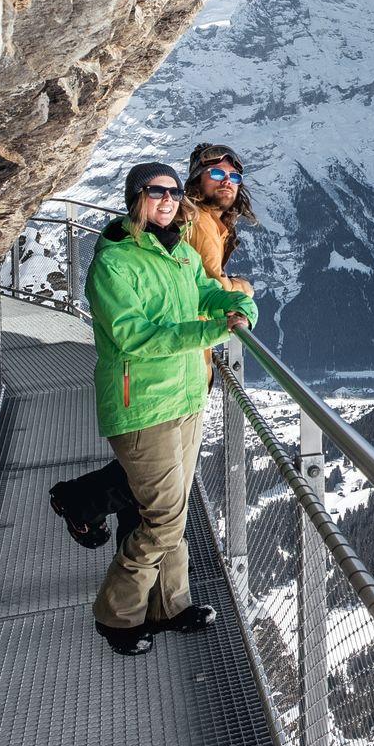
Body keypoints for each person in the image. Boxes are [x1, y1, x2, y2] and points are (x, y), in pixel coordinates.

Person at [82, 160, 258, 656]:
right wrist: (213, 330)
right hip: (142, 405)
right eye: (155, 192)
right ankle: (116, 615)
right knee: (163, 520)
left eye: (174, 192)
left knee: (172, 510)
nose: (167, 200)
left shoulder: (177, 251)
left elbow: (205, 290)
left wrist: (240, 306)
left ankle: (170, 605)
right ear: (135, 197)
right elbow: (131, 336)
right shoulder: (114, 262)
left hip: (184, 398)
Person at [180, 141, 258, 295]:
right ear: (197, 181)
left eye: (234, 177)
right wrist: (243, 287)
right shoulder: (200, 222)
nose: (227, 181)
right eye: (217, 173)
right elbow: (218, 288)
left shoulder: (211, 221)